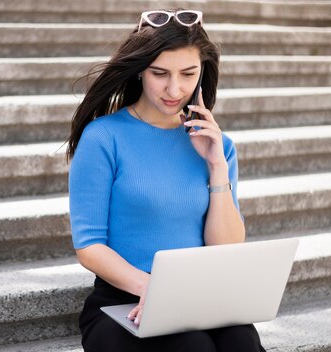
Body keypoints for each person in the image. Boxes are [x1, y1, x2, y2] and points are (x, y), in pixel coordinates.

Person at [67, 9, 266, 352]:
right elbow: (89, 246)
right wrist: (156, 291)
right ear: (141, 70)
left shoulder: (219, 146)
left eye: (188, 74)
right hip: (123, 299)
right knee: (193, 346)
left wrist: (217, 166)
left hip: (199, 294)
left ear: (203, 72)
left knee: (241, 341)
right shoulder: (104, 137)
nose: (175, 89)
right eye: (160, 73)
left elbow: (226, 249)